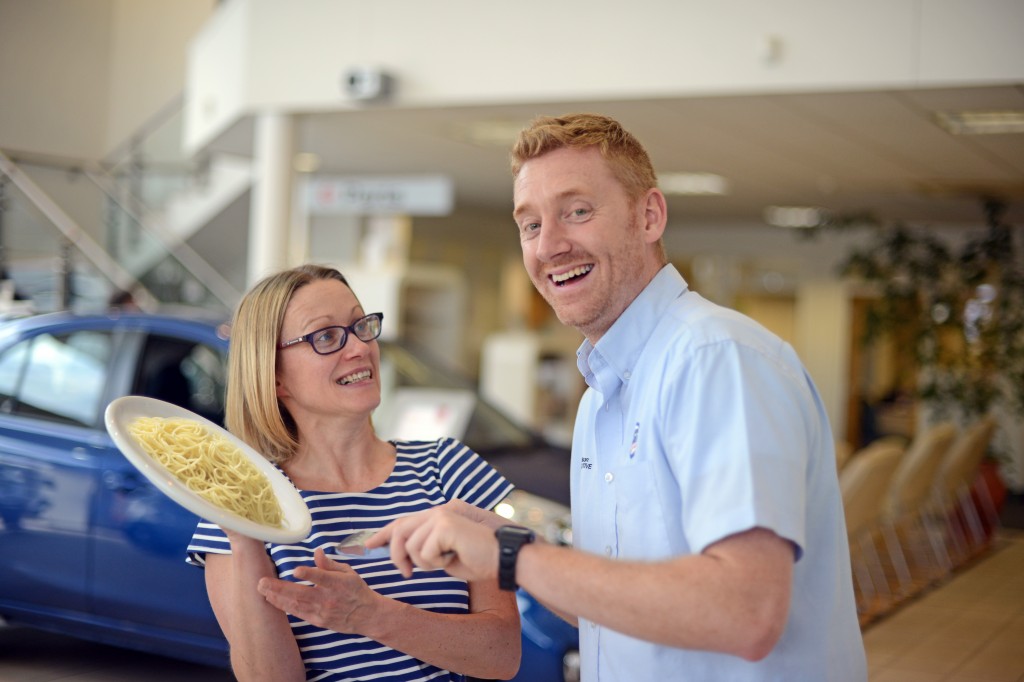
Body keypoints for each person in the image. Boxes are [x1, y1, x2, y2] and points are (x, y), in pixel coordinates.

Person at [372, 114, 867, 680]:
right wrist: (507, 542)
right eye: (530, 224)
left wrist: (513, 557)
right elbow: (606, 609)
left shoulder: (714, 358)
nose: (550, 245)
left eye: (577, 211)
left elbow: (746, 612)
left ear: (649, 216)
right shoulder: (602, 397)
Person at [185, 264, 521, 682]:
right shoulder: (243, 502)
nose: (360, 347)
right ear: (273, 377)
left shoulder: (448, 469)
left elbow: (502, 656)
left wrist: (372, 616)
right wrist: (244, 532)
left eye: (361, 325)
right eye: (326, 336)